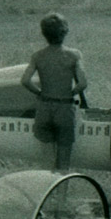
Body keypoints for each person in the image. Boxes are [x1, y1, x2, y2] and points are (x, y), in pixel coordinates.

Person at [21, 12, 88, 172]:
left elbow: (25, 81)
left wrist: (40, 93)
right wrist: (70, 93)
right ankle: (61, 196)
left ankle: (47, 193)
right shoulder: (74, 55)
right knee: (63, 161)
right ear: (65, 32)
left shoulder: (38, 56)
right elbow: (83, 83)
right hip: (64, 109)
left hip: (44, 107)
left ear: (44, 33)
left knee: (47, 162)